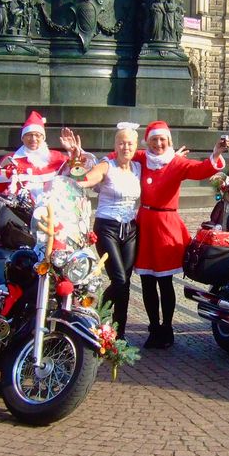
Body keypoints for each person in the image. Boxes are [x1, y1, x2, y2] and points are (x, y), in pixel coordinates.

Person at [135, 121, 229, 349]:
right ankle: (153, 327)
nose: (158, 144)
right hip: (145, 223)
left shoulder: (176, 162)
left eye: (163, 140)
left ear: (169, 141)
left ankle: (167, 328)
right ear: (147, 142)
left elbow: (200, 169)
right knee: (146, 281)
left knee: (164, 281)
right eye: (154, 140)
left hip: (166, 226)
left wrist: (215, 153)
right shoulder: (141, 158)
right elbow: (121, 152)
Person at [78, 122, 142, 341]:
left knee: (124, 282)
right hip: (107, 227)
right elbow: (92, 177)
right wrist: (80, 183)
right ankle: (97, 316)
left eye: (130, 143)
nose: (126, 147)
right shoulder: (108, 164)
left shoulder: (137, 168)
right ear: (115, 144)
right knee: (119, 279)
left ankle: (119, 332)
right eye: (122, 143)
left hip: (131, 229)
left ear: (135, 146)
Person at [0, 111, 88, 200]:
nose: (33, 139)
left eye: (37, 135)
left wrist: (75, 157)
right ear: (22, 138)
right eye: (29, 135)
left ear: (43, 137)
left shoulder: (57, 157)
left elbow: (79, 180)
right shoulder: (11, 160)